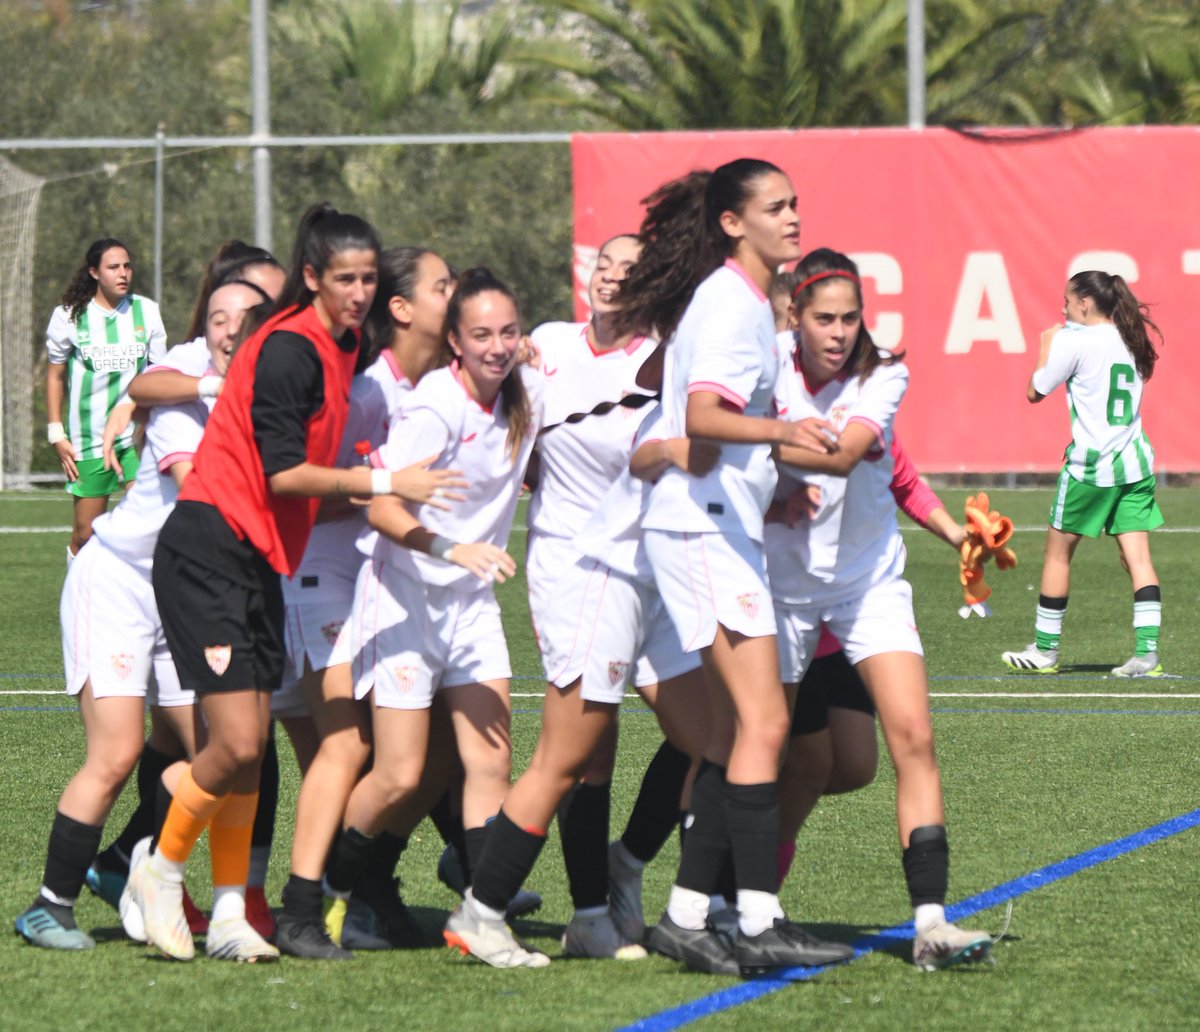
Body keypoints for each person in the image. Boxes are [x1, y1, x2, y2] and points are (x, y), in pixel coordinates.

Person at [124, 203, 460, 964]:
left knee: (245, 755)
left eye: (369, 278)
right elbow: (282, 474)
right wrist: (385, 478)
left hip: (259, 559)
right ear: (312, 278)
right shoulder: (291, 352)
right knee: (239, 741)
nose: (359, 292)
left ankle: (234, 911)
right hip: (208, 549)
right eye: (345, 278)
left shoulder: (343, 342)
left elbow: (413, 342)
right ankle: (157, 862)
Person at [603, 158, 851, 977]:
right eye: (775, 206)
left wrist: (772, 482)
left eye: (795, 201)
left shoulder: (743, 302)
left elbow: (709, 429)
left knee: (726, 734)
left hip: (719, 525)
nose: (793, 216)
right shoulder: (727, 302)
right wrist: (782, 438)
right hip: (701, 531)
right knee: (764, 725)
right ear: (731, 223)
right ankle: (753, 920)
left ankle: (684, 916)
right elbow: (704, 416)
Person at [14, 279, 265, 951]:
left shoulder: (270, 393)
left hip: (182, 593)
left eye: (248, 317)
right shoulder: (187, 384)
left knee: (217, 750)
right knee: (118, 750)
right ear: (204, 326)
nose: (233, 329)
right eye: (220, 317)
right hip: (121, 583)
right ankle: (49, 905)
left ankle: (133, 863)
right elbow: (198, 481)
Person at [768, 247, 992, 970]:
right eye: (823, 318)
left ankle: (931, 924)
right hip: (783, 591)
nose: (838, 331)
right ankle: (734, 902)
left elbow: (873, 460)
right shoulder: (760, 366)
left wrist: (958, 533)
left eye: (849, 317)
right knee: (776, 758)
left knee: (912, 739)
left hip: (868, 585)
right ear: (793, 318)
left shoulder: (884, 371)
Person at [324, 267, 537, 962]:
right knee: (399, 777)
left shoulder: (523, 392)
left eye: (508, 332)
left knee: (490, 760)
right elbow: (379, 504)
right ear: (454, 341)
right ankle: (327, 891)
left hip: (470, 603)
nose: (497, 347)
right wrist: (453, 548)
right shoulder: (434, 406)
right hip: (406, 602)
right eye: (481, 334)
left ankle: (482, 915)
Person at [274, 245, 457, 960]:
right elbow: (302, 495)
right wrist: (380, 485)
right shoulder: (363, 390)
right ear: (404, 308)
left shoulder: (441, 387)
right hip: (326, 576)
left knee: (434, 751)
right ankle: (303, 904)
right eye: (444, 284)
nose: (457, 292)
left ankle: (370, 888)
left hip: (385, 584)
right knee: (350, 745)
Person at [1001, 271, 1164, 677]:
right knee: (1138, 558)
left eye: (1068, 300)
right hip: (1135, 464)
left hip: (1092, 468)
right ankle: (1147, 653)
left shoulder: (1073, 340)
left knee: (1058, 554)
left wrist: (1045, 346)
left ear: (1086, 303)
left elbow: (1035, 391)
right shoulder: (1130, 337)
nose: (1064, 307)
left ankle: (1044, 651)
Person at [46, 238, 167, 559]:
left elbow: (159, 374)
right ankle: (77, 603)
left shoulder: (147, 312)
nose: (123, 273)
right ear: (94, 273)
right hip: (89, 438)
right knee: (86, 534)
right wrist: (56, 432)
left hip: (136, 436)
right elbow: (55, 376)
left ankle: (145, 605)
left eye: (127, 266)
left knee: (146, 528)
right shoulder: (69, 316)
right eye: (113, 267)